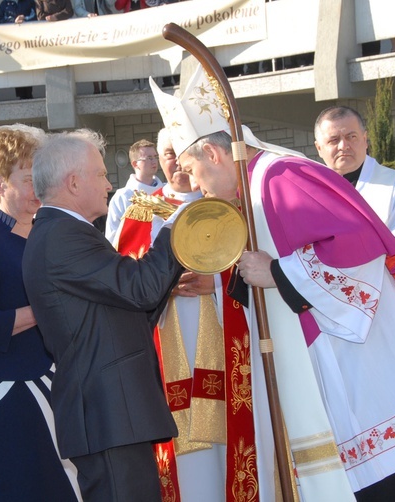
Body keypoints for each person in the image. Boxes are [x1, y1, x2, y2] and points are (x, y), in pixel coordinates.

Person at [152, 66, 395, 501]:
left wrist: (279, 273)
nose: (193, 183)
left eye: (192, 168)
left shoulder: (280, 178)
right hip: (339, 369)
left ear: (214, 153)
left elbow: (359, 249)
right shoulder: (253, 188)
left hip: (369, 374)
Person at [112, 128, 276, 501]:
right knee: (185, 458)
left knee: (233, 440)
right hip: (170, 343)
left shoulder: (232, 204)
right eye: (166, 153)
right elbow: (125, 276)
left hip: (227, 337)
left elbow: (257, 262)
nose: (173, 161)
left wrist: (216, 282)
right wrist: (163, 285)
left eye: (179, 152)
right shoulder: (142, 209)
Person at [23, 129, 183, 501]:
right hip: (107, 411)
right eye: (100, 173)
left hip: (111, 412)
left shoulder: (65, 232)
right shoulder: (63, 235)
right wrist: (178, 229)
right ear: (74, 182)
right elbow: (138, 287)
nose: (109, 183)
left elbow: (129, 306)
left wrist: (166, 278)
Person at [0, 126, 80, 501]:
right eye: (28, 179)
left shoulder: (48, 233)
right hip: (9, 389)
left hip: (58, 379)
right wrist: (41, 309)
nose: (39, 188)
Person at [314, 105, 395, 314]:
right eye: (333, 140)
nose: (343, 146)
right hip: (329, 317)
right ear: (319, 148)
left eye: (351, 136)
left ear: (365, 140)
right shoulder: (309, 195)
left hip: (387, 314)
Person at [104, 138, 164, 241]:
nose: (154, 161)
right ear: (135, 164)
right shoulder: (123, 197)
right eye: (149, 158)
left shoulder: (166, 192)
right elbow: (112, 237)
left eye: (155, 157)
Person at [0, 0, 35, 99]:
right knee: (17, 66)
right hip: (11, 41)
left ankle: (28, 93)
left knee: (27, 66)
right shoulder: (5, 3)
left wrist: (25, 19)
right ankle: (20, 94)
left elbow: (35, 16)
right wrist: (13, 21)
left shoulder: (29, 2)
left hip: (27, 40)